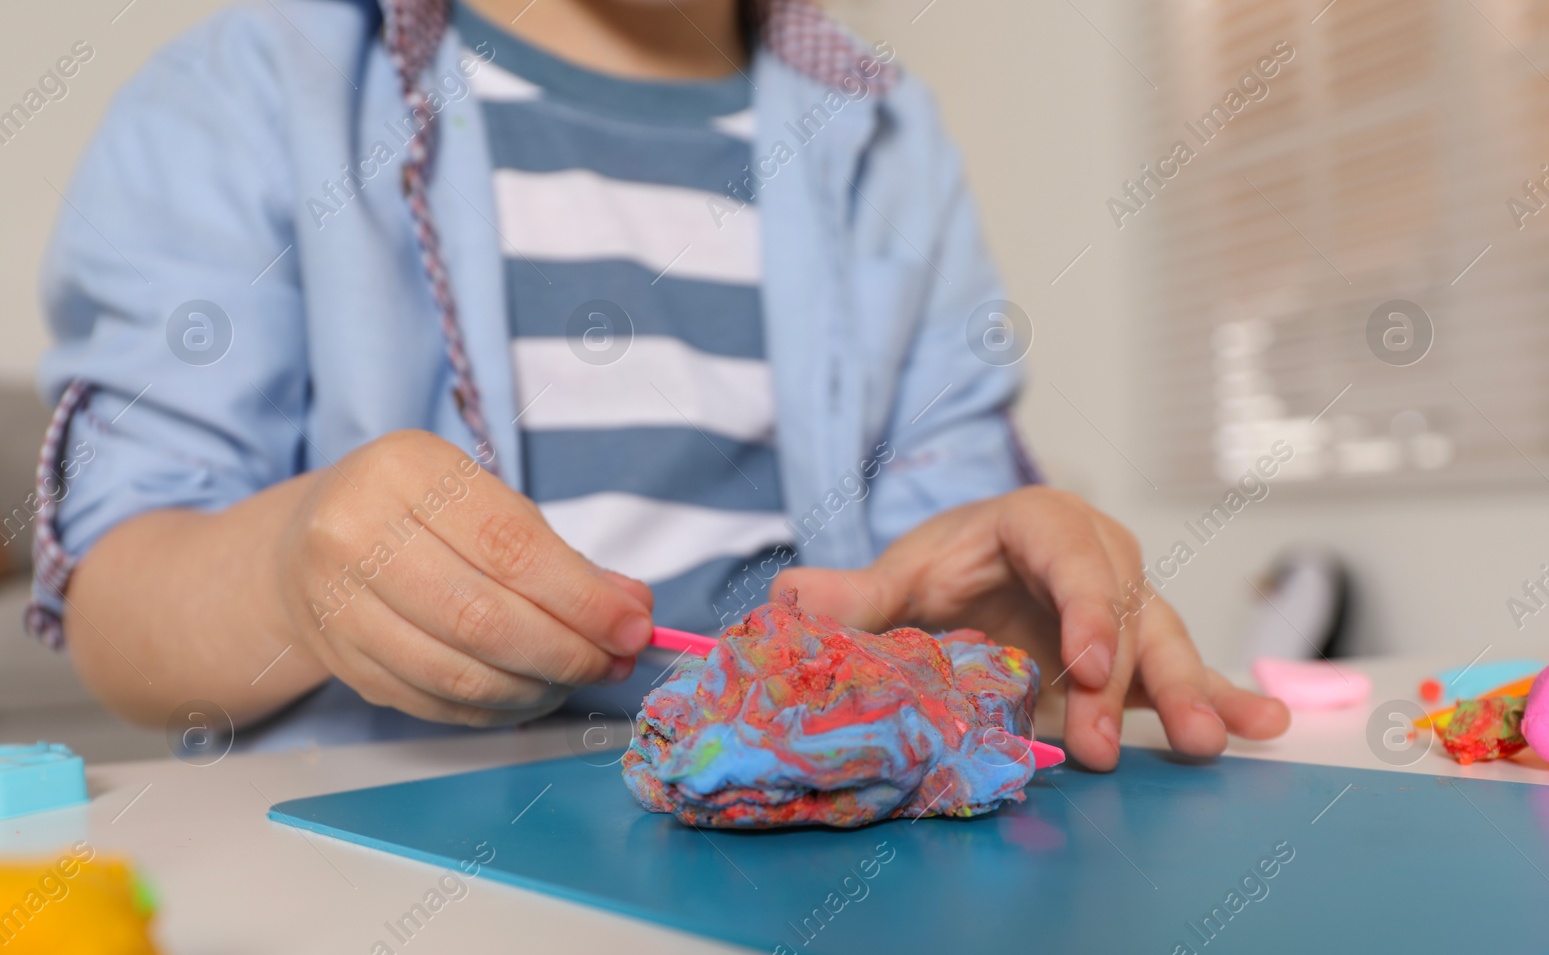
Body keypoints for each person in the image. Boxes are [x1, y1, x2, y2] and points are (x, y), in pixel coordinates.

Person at [29, 0, 1288, 766]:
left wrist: (1003, 616)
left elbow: (944, 571)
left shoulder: (884, 137)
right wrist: (285, 569)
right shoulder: (246, 91)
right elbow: (121, 615)